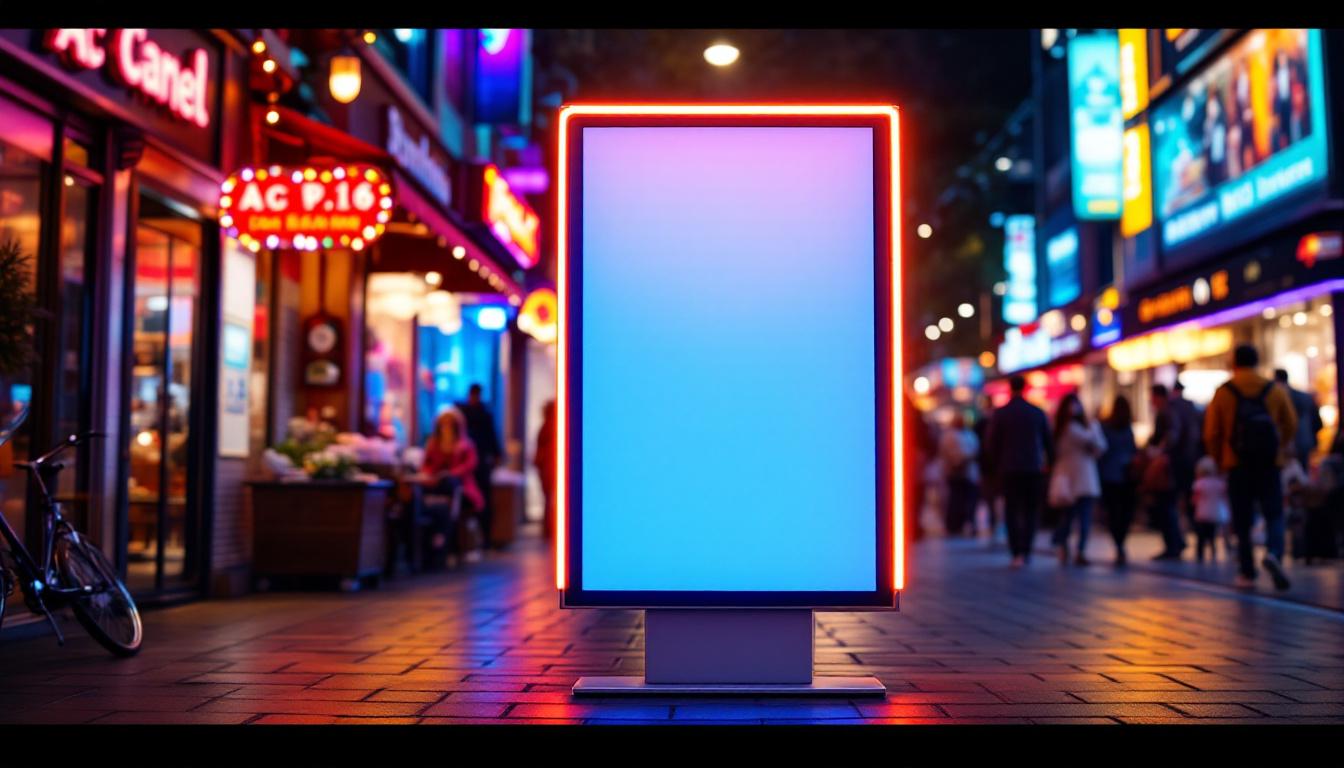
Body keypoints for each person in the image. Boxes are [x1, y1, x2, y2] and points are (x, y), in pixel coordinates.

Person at [1204, 344, 1298, 590]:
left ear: (1234, 362)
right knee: (1274, 513)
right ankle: (1274, 553)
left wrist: (1219, 459)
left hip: (1237, 464)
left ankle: (1247, 571)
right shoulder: (1274, 390)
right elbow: (1291, 423)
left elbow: (1212, 433)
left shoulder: (1224, 392)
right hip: (1269, 463)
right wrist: (1280, 446)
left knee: (1242, 519)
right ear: (1257, 362)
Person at [986, 375, 1054, 568]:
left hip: (1009, 469)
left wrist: (995, 466)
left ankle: (1016, 552)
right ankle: (1027, 549)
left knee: (1012, 509)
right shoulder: (1037, 413)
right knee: (1031, 510)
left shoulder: (1001, 413)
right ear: (1025, 388)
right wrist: (1049, 465)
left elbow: (991, 444)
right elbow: (1048, 443)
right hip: (1033, 468)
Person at [1048, 393, 1106, 566]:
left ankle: (1068, 546)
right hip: (1078, 478)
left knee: (1072, 516)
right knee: (1078, 517)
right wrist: (1094, 427)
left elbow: (1100, 447)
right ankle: (1074, 548)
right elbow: (1098, 445)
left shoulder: (1060, 429)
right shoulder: (1072, 429)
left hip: (1071, 478)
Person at [422, 408, 486, 564]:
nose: (446, 427)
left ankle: (453, 548)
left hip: (462, 489)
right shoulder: (433, 444)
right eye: (443, 424)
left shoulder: (465, 445)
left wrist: (451, 473)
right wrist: (431, 475)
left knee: (453, 499)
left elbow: (470, 464)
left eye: (450, 424)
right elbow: (426, 465)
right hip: (437, 487)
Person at [457, 383, 501, 550]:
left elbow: (492, 437)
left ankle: (483, 539)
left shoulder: (476, 414)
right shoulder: (474, 414)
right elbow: (492, 437)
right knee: (479, 501)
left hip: (478, 464)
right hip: (474, 464)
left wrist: (495, 456)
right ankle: (476, 540)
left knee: (482, 501)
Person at [1097, 395, 1139, 567]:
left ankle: (1118, 543)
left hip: (1109, 474)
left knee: (1113, 512)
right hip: (1126, 474)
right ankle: (1121, 541)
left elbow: (1101, 450)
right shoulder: (1127, 428)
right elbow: (1133, 449)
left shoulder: (1105, 427)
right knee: (1125, 512)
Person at [1148, 384, 1188, 560]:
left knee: (1166, 505)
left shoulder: (1167, 411)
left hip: (1168, 466)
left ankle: (1173, 544)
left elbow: (1171, 436)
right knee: (1169, 505)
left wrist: (1161, 452)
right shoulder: (1175, 409)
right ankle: (1176, 541)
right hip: (1178, 464)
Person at [939, 413, 980, 537]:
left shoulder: (969, 435)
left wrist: (966, 460)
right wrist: (957, 461)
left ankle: (967, 523)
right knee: (955, 500)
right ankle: (954, 525)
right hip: (954, 471)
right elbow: (945, 452)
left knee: (968, 500)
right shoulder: (949, 436)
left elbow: (975, 449)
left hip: (968, 472)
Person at [1274, 369, 1324, 466]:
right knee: (1303, 469)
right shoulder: (1305, 397)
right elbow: (1317, 420)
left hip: (1289, 442)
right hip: (1305, 438)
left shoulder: (1280, 397)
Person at [1191, 455, 1230, 563]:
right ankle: (1213, 552)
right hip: (1216, 512)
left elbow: (1195, 499)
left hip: (1202, 512)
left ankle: (1200, 554)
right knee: (1212, 535)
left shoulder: (1199, 483)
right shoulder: (1220, 483)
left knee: (1201, 535)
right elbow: (1224, 497)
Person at [534, 399, 558, 541]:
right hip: (549, 468)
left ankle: (548, 529)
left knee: (549, 499)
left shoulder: (546, 426)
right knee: (551, 499)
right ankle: (550, 529)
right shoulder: (552, 427)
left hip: (546, 468)